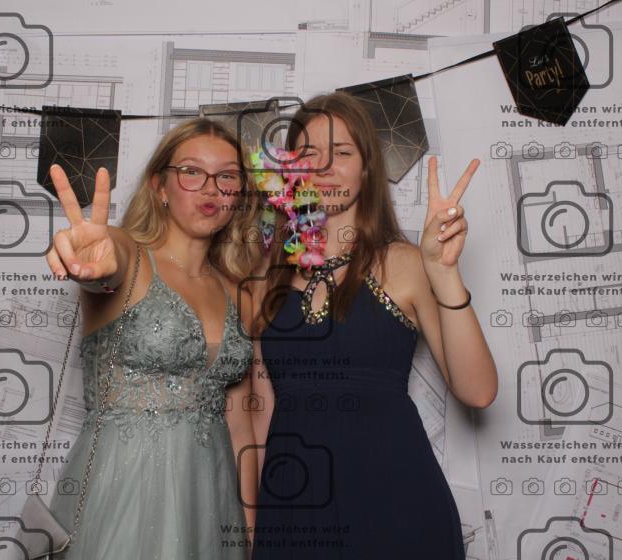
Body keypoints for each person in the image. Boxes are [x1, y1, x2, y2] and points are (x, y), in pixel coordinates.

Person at [246, 91, 498, 559]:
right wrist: (256, 530)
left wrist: (444, 273)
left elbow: (479, 391)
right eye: (308, 153)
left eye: (342, 152)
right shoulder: (267, 276)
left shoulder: (404, 262)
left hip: (394, 502)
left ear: (366, 169)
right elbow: (261, 416)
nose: (324, 167)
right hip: (295, 510)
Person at [43, 118, 263, 559]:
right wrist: (91, 257)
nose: (210, 188)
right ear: (159, 186)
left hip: (209, 498)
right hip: (125, 490)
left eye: (227, 176)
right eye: (191, 171)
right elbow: (107, 266)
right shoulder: (130, 257)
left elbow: (241, 430)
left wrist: (248, 535)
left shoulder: (239, 294)